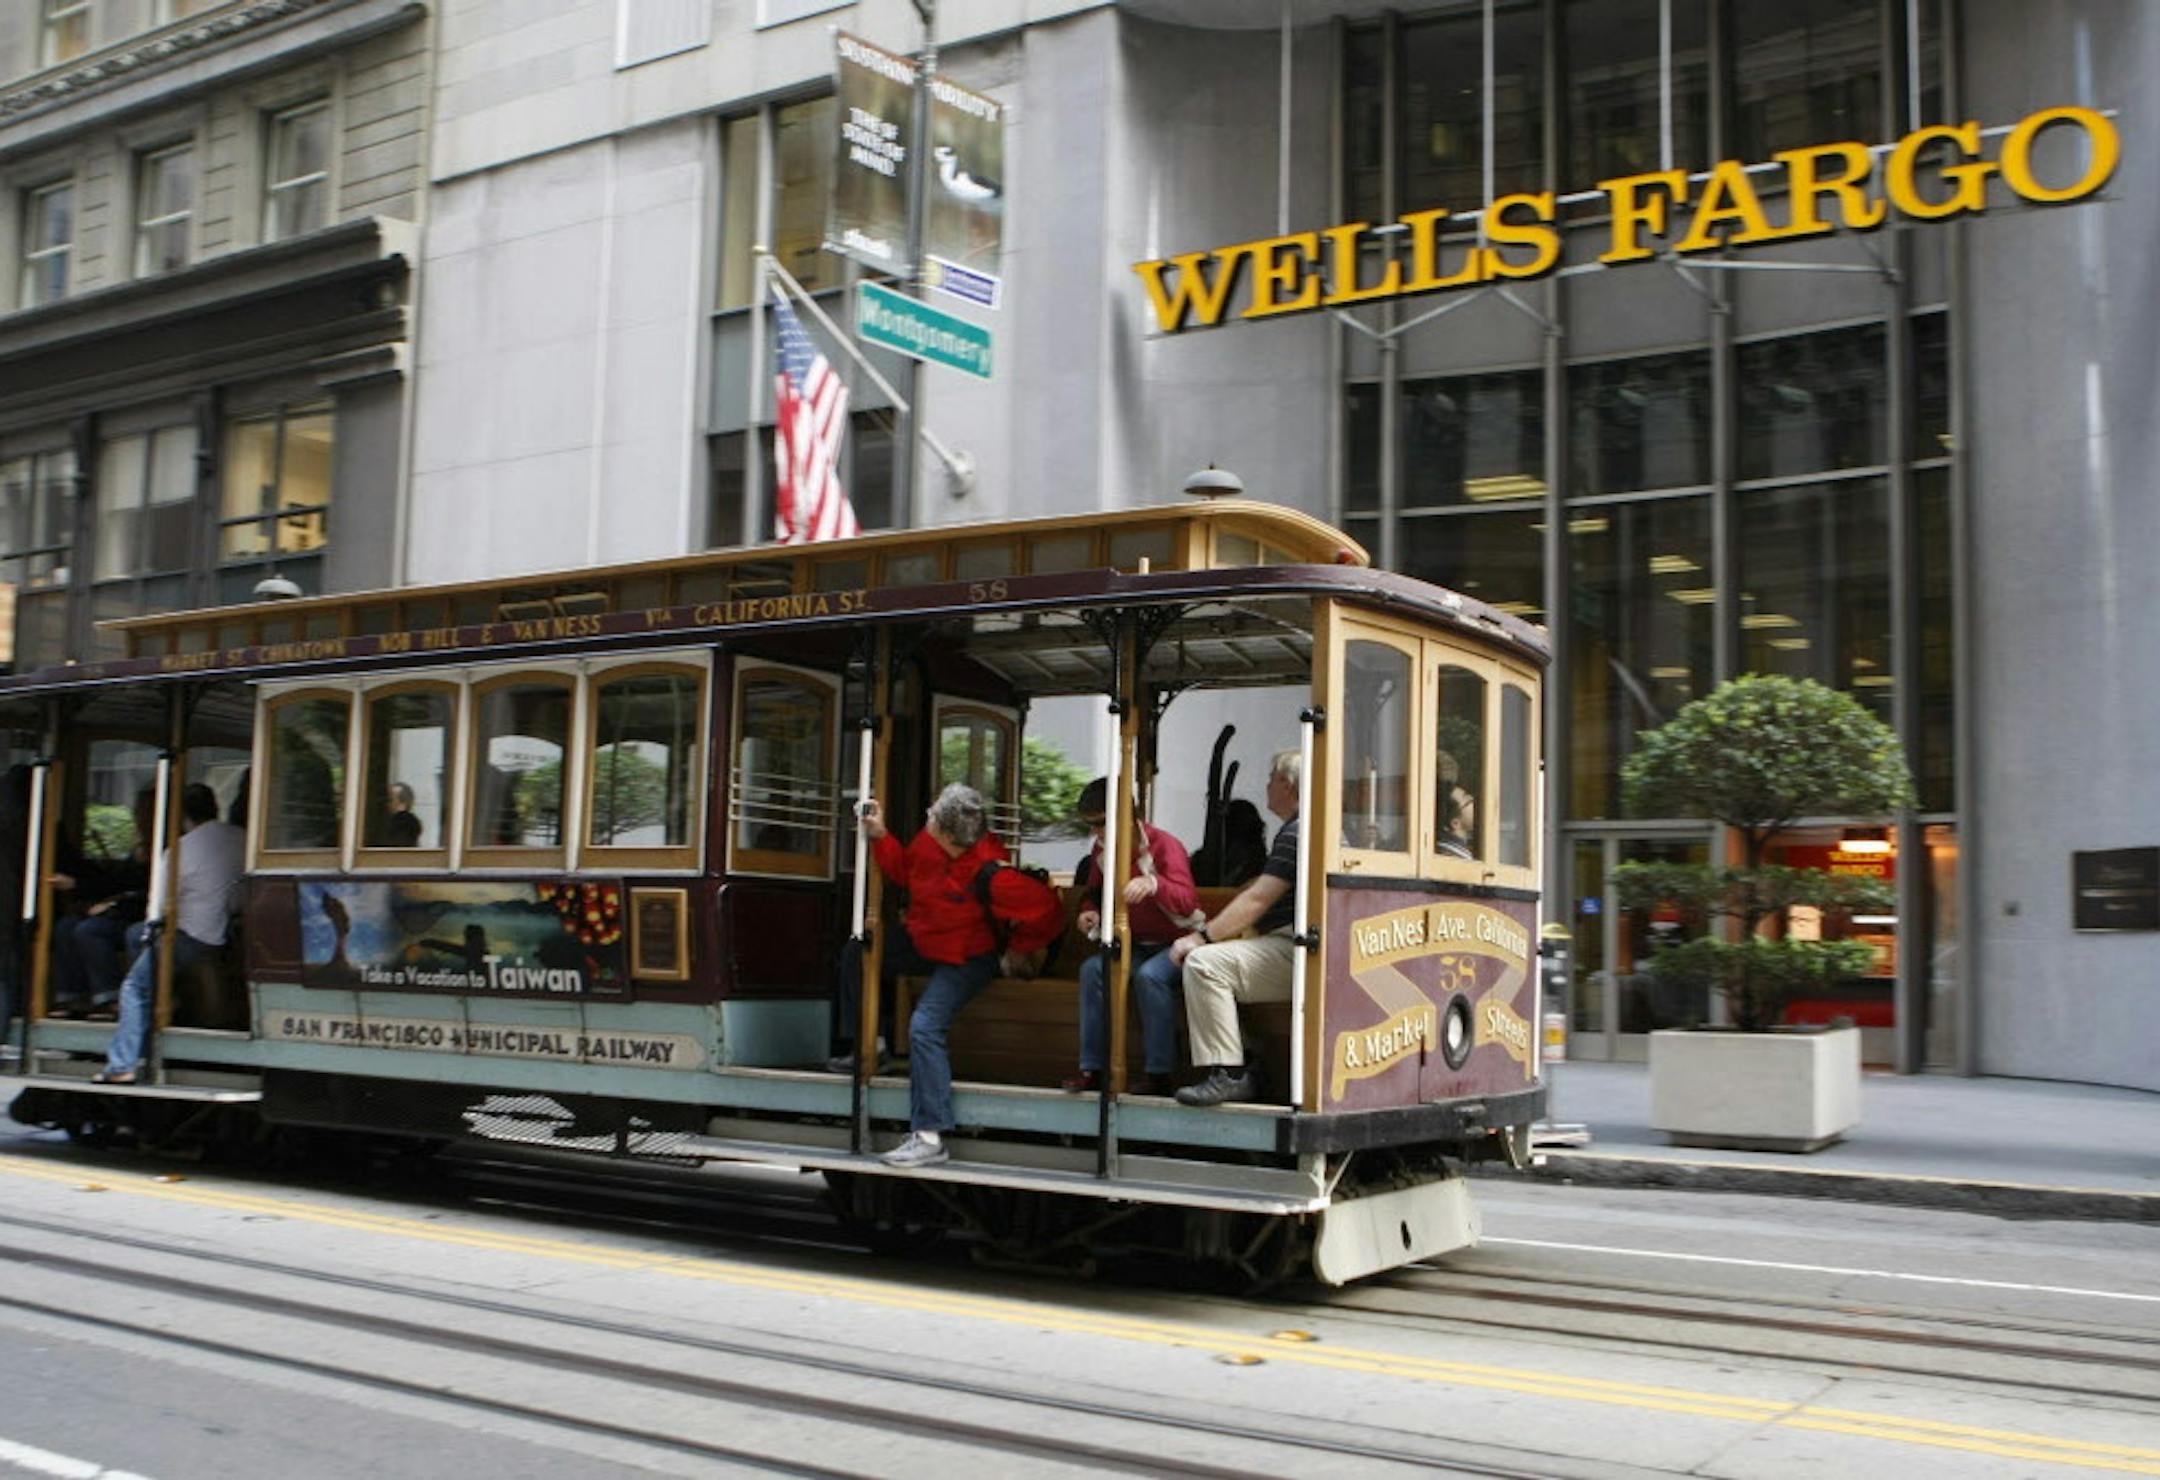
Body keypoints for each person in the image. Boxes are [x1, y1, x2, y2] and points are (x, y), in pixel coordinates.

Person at [861, 783, 1062, 1169]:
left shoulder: (994, 875)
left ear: (950, 835)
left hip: (969, 958)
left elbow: (1049, 910)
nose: (927, 815)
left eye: (933, 816)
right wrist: (882, 836)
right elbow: (904, 871)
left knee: (924, 1026)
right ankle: (874, 1044)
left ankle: (930, 1136)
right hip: (928, 943)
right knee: (859, 953)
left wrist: (1020, 947)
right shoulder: (930, 842)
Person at [1167, 749, 1303, 1107]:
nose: (1267, 786)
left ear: (1287, 784)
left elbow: (1259, 899)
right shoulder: (1304, 828)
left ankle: (1232, 1074)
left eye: (1271, 779)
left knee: (1205, 964)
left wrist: (1200, 938)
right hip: (1299, 945)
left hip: (1300, 949)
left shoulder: (1296, 831)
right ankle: (1250, 1061)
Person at [93, 784, 245, 1085]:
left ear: (183, 816)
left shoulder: (180, 850)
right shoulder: (241, 838)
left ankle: (122, 1064)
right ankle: (166, 998)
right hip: (226, 935)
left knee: (134, 987)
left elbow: (158, 909)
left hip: (190, 940)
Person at [1062, 777, 1198, 1096]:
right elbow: (1094, 892)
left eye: (1101, 824)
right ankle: (1092, 1068)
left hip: (1178, 943)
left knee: (1151, 977)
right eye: (1091, 826)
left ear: (1125, 816)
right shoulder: (1102, 850)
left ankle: (1159, 1074)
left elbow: (1188, 901)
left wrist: (1155, 885)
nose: (1096, 833)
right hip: (1135, 943)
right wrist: (1089, 911)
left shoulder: (1164, 845)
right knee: (1092, 970)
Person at [383, 781, 424, 847]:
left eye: (390, 800)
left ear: (402, 802)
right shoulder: (411, 822)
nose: (387, 804)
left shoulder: (402, 823)